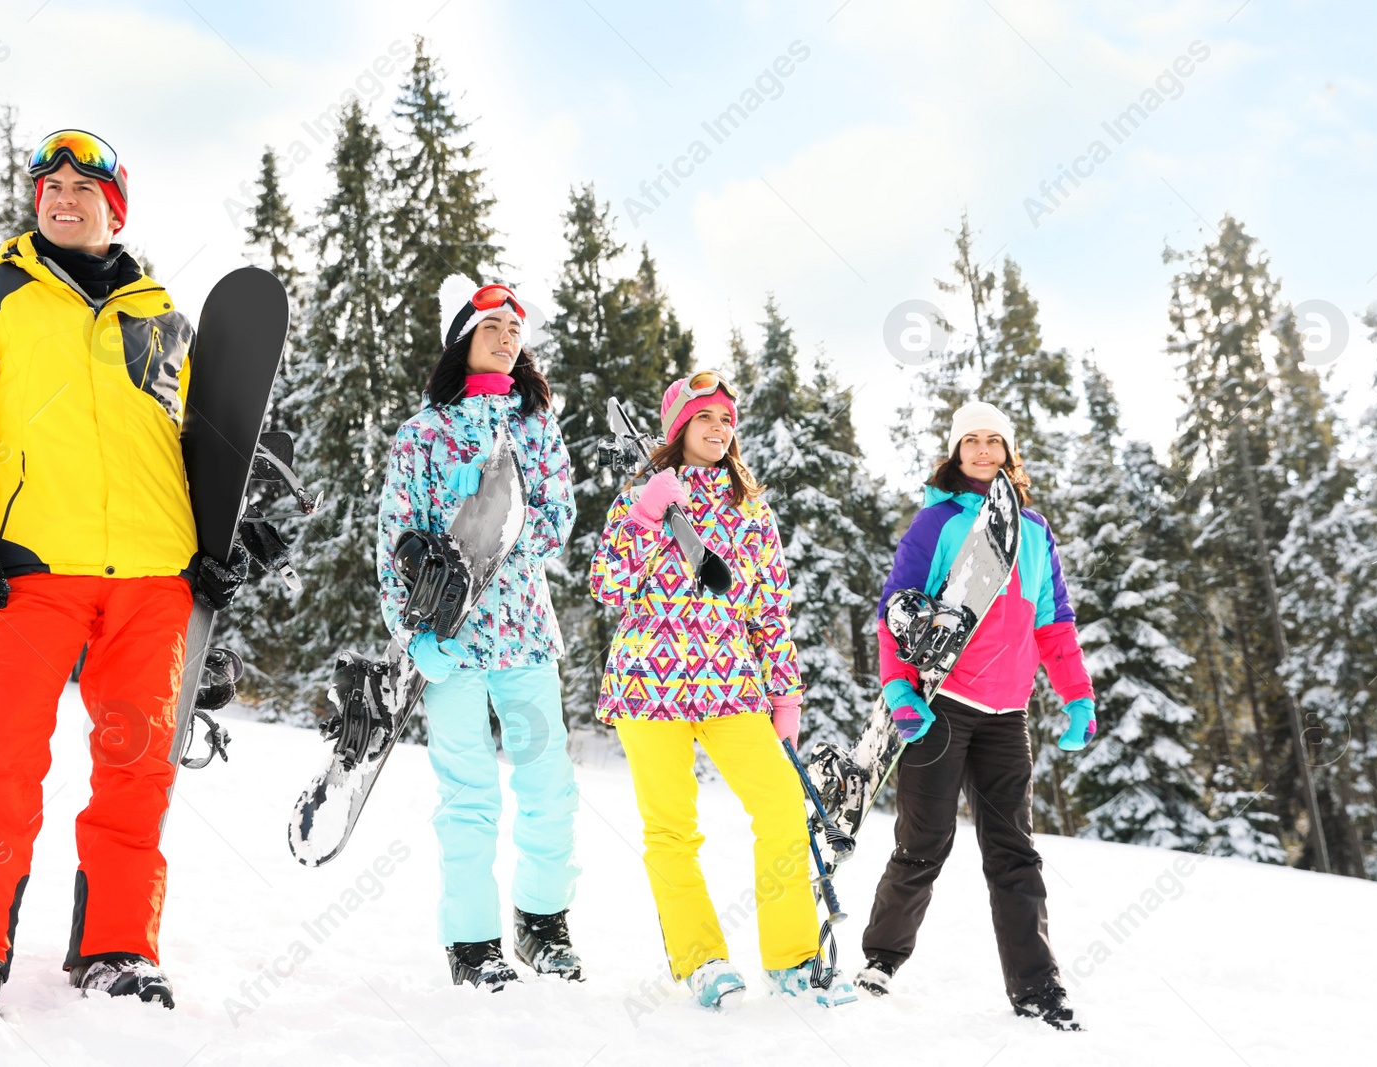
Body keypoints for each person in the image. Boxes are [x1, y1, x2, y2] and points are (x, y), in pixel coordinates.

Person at [0, 129, 247, 1022]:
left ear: (116, 208)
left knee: (139, 767)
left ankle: (117, 946)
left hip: (153, 573)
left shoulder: (161, 315)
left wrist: (212, 546)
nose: (62, 196)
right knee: (2, 758)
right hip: (33, 563)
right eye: (49, 183)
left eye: (83, 185)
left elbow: (189, 446)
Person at [589, 371, 855, 1010]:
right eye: (704, 417)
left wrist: (785, 694)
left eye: (726, 420)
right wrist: (649, 513)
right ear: (679, 426)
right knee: (671, 829)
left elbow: (769, 611)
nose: (717, 428)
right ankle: (702, 959)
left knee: (783, 809)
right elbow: (607, 586)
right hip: (647, 686)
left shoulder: (750, 508)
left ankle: (793, 960)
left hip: (733, 686)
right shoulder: (642, 495)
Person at [855, 401, 1096, 1032]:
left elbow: (1054, 623)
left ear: (1009, 454)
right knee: (924, 842)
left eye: (995, 441)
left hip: (1007, 715)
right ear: (957, 453)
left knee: (1015, 853)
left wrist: (1077, 696)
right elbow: (894, 610)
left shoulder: (1036, 534)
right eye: (972, 441)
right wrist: (900, 693)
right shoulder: (936, 523)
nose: (984, 451)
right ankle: (880, 959)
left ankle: (1038, 991)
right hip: (940, 707)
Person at [377, 280, 581, 993]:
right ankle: (472, 941)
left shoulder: (536, 426)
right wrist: (412, 636)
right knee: (468, 795)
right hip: (452, 641)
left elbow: (559, 517)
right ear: (462, 335)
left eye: (514, 327)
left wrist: (504, 520)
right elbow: (392, 538)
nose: (506, 335)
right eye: (491, 323)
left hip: (525, 634)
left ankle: (543, 922)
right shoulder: (421, 433)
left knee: (548, 786)